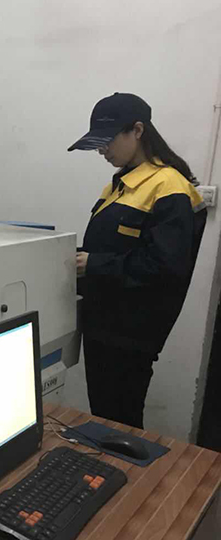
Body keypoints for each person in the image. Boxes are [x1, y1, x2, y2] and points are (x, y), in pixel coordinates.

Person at [67, 93, 206, 428]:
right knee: (107, 418)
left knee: (120, 422)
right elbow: (113, 247)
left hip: (129, 334)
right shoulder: (121, 184)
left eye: (107, 140)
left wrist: (93, 264)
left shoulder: (168, 187)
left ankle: (122, 464)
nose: (102, 150)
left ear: (138, 131)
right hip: (103, 325)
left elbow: (165, 266)